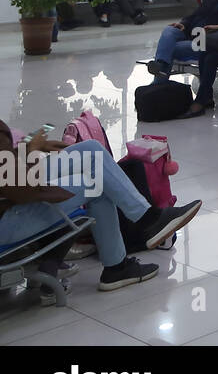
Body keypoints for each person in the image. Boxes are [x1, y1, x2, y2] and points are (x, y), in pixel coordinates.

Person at [0, 120, 202, 296]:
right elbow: (18, 186)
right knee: (98, 181)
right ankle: (127, 250)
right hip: (9, 216)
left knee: (91, 150)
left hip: (14, 186)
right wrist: (29, 152)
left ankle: (144, 222)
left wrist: (26, 149)